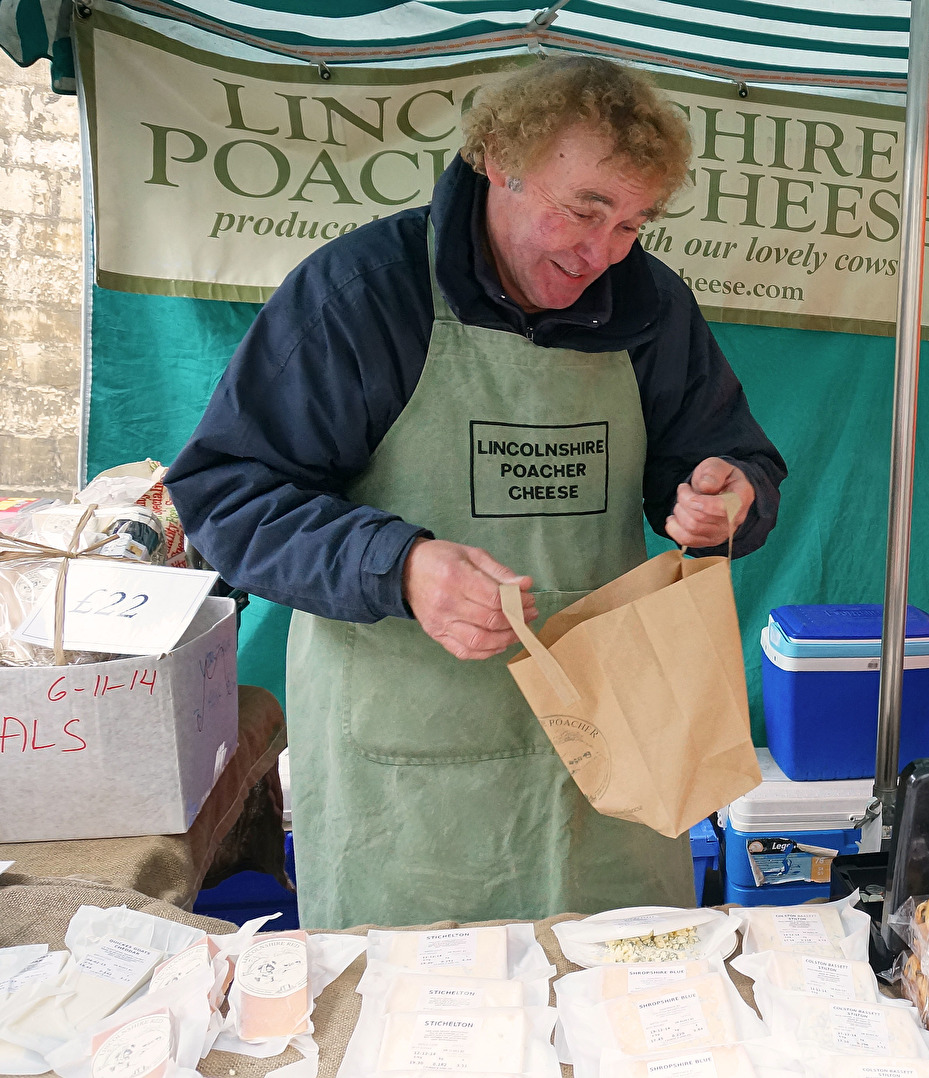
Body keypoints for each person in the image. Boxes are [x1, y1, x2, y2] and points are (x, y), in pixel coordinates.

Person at [165, 58, 786, 928]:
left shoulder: (649, 306)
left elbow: (727, 453)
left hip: (609, 753)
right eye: (584, 209)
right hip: (412, 782)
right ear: (499, 161)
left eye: (632, 223)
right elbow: (227, 492)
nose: (601, 251)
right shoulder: (364, 294)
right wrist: (401, 566)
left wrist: (730, 496)